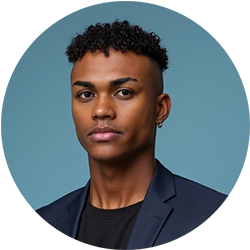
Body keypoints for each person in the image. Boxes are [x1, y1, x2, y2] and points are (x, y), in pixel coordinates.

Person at [36, 20, 228, 249]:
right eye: (86, 94)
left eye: (123, 92)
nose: (101, 111)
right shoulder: (38, 226)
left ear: (160, 109)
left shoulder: (224, 219)